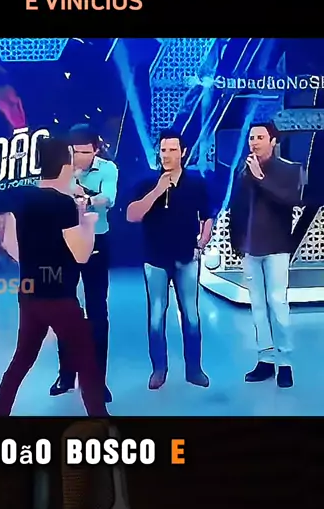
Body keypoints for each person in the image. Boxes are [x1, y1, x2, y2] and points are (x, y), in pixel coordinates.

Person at [0, 136, 109, 417]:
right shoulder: (63, 204)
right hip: (59, 298)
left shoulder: (25, 199)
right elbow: (81, 254)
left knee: (21, 360)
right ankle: (102, 422)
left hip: (29, 294)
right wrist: (87, 221)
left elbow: (11, 245)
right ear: (65, 165)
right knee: (87, 362)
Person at [127, 130, 214, 390]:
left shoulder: (196, 183)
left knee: (191, 315)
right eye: (163, 150)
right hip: (155, 259)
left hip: (187, 258)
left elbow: (207, 216)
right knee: (156, 315)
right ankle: (159, 369)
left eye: (172, 150)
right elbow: (132, 215)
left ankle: (194, 369)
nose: (166, 155)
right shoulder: (147, 182)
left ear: (183, 152)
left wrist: (203, 240)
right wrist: (157, 191)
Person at [229, 122, 304, 388]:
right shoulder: (243, 169)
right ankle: (265, 358)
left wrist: (261, 178)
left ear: (273, 141)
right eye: (251, 137)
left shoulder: (290, 169)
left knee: (277, 302)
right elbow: (237, 206)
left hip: (277, 247)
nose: (254, 141)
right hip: (250, 248)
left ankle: (285, 363)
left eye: (260, 137)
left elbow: (291, 200)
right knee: (258, 306)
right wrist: (235, 240)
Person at [50, 124, 118, 403]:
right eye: (75, 152)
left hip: (96, 242)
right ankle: (66, 374)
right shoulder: (59, 168)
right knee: (64, 308)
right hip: (64, 243)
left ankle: (97, 380)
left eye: (85, 152)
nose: (79, 157)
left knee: (97, 310)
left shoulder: (108, 169)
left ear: (96, 149)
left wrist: (86, 198)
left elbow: (108, 198)